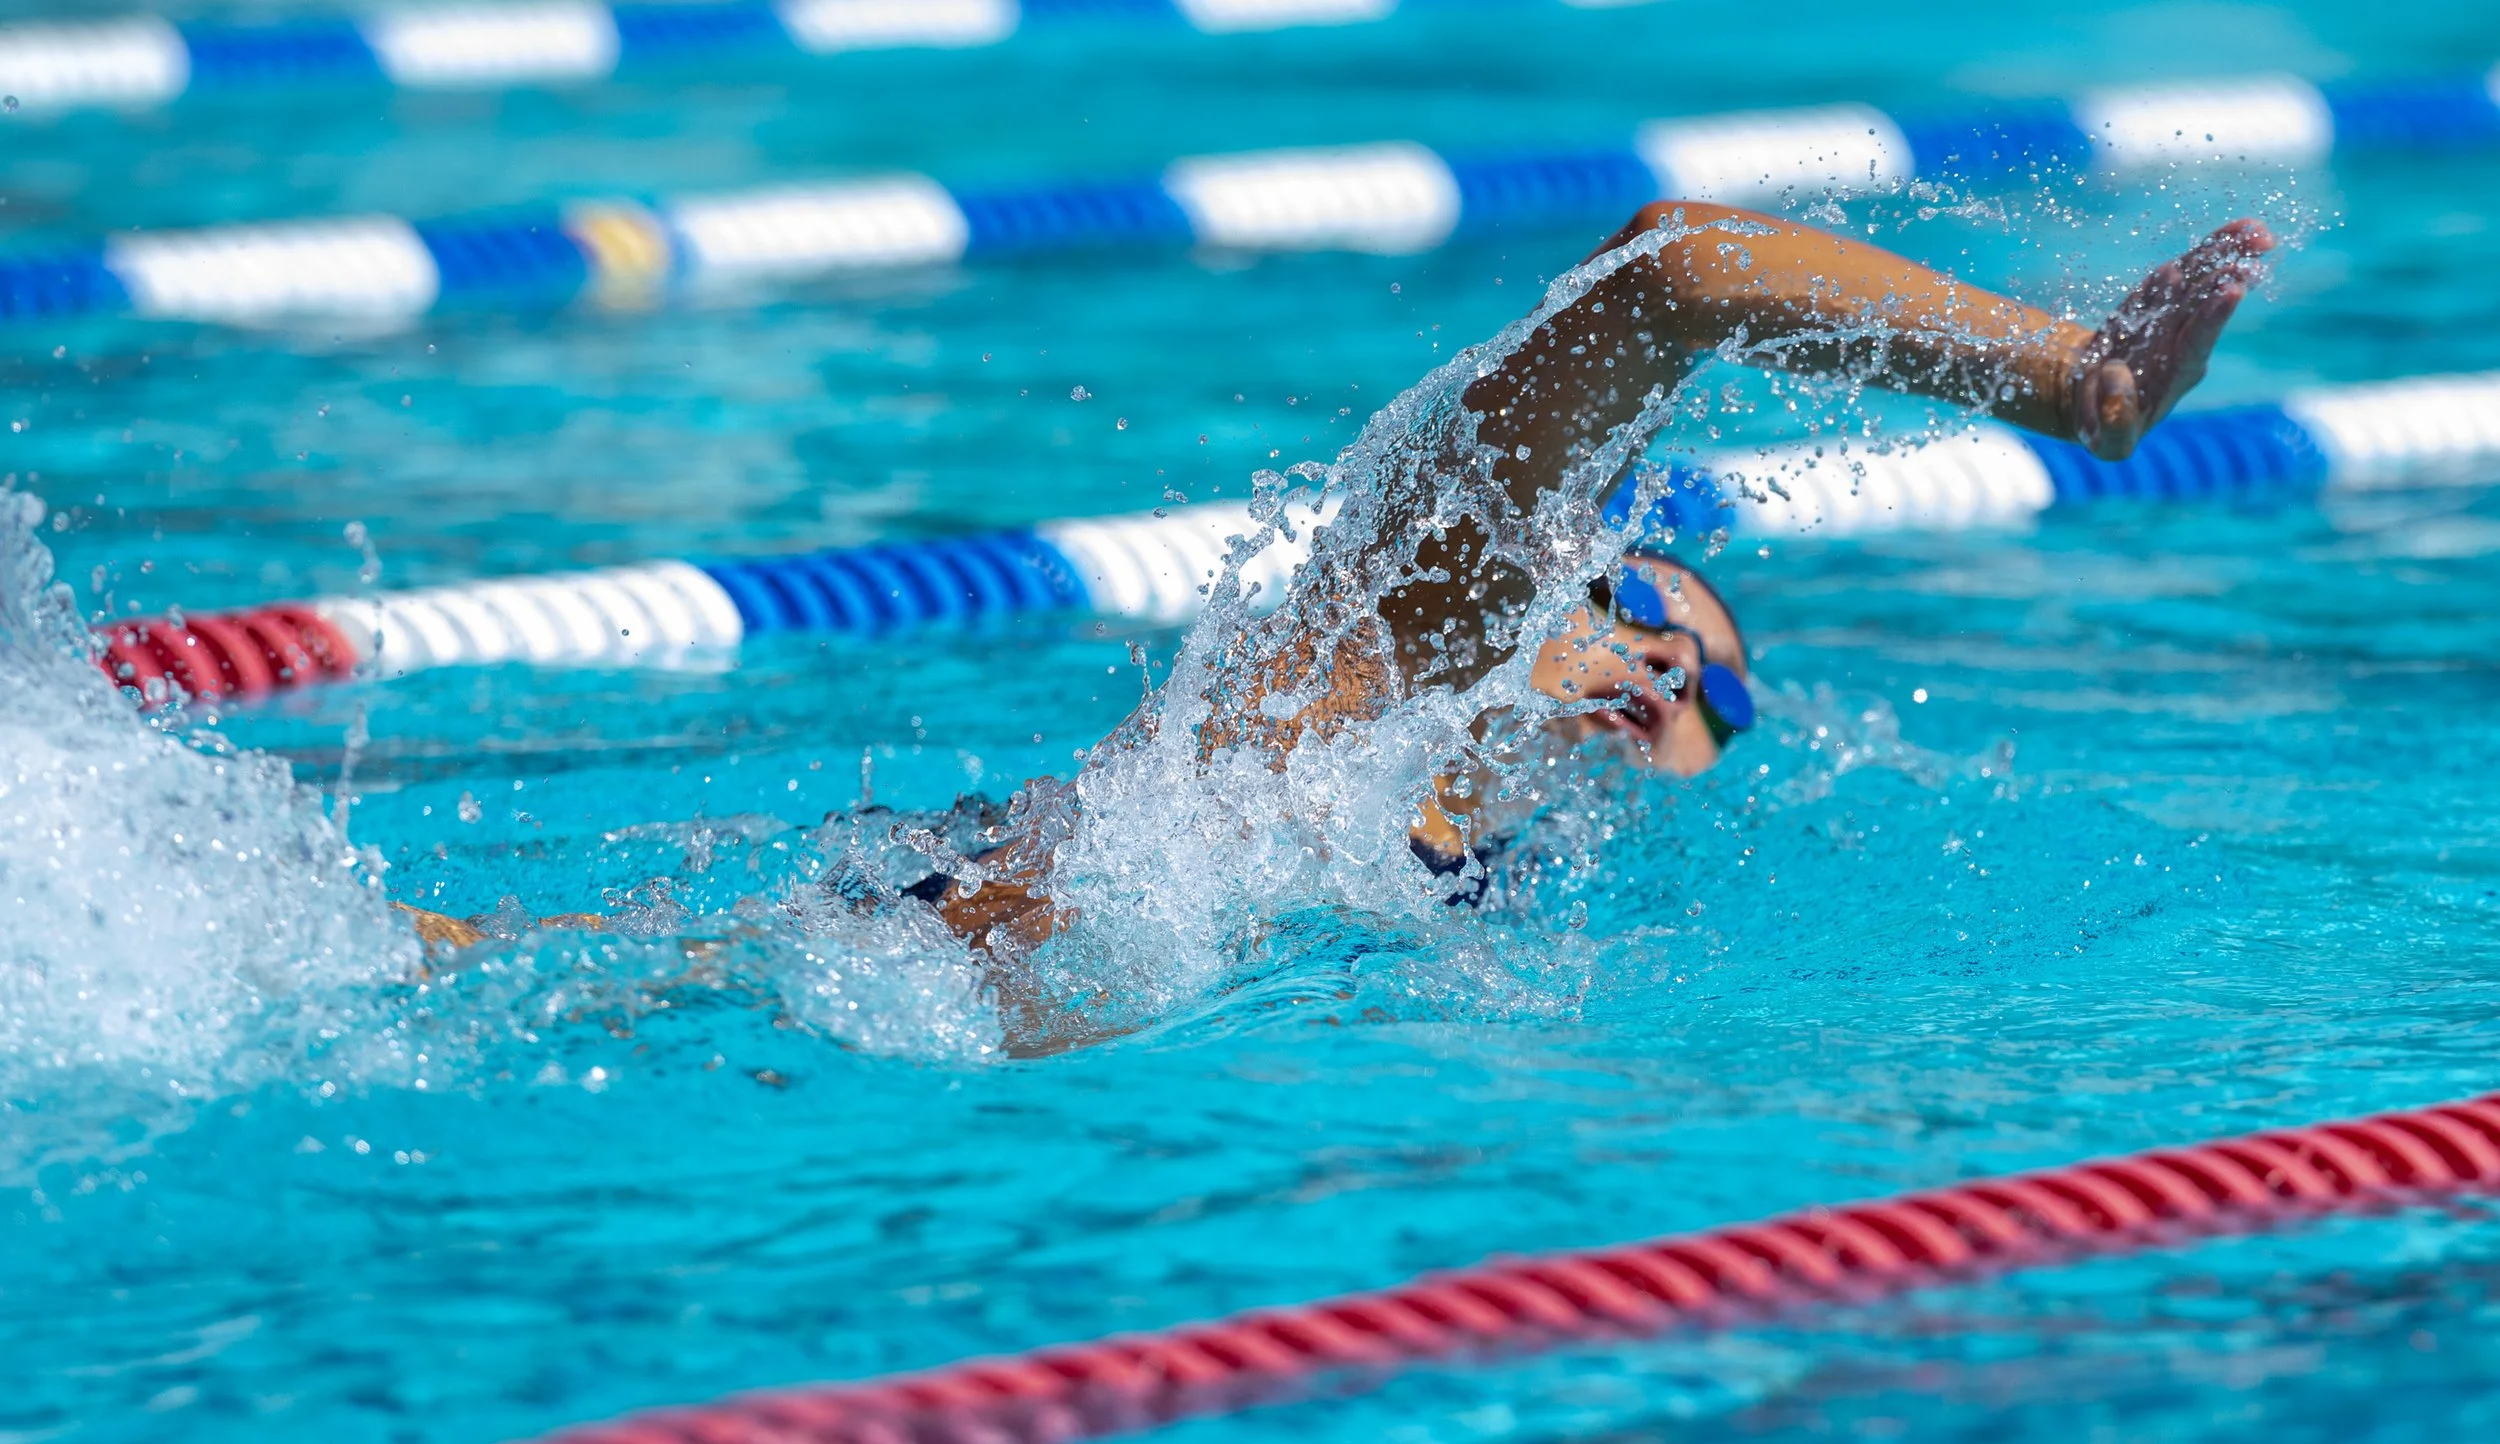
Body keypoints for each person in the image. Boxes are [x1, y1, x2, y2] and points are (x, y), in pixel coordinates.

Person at [401, 200, 2274, 962]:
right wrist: (2075, 388)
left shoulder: (1457, 839)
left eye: (1661, 703)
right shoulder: (1449, 600)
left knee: (612, 973)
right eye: (1643, 635)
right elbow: (1683, 270)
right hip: (1004, 929)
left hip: (990, 952)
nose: (1634, 689)